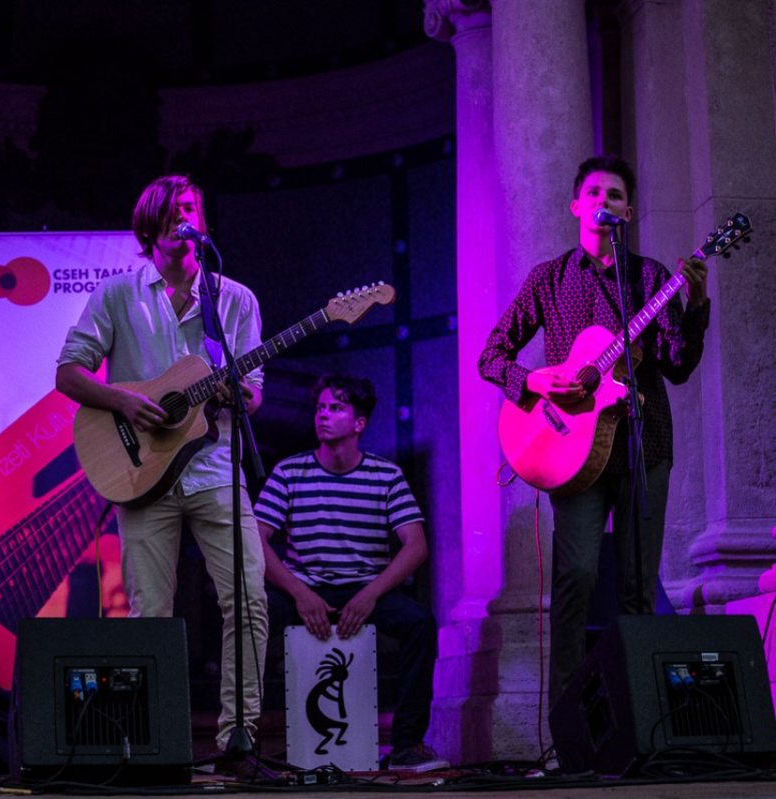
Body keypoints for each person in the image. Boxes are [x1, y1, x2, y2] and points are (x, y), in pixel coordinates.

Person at [478, 155, 709, 710]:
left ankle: (641, 719)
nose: (605, 202)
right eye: (595, 193)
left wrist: (696, 302)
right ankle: (568, 723)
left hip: (643, 445)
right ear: (576, 206)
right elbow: (491, 356)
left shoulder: (651, 278)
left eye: (616, 195)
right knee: (576, 577)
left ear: (627, 212)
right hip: (570, 450)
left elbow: (678, 365)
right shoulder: (548, 279)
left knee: (636, 585)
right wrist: (535, 379)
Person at [55, 175, 269, 755]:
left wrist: (234, 394)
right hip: (142, 474)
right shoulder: (117, 295)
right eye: (173, 212)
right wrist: (124, 401)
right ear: (150, 227)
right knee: (151, 612)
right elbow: (68, 373)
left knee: (248, 598)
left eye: (191, 209)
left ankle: (240, 734)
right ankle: (157, 742)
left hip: (215, 467)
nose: (184, 219)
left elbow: (252, 393)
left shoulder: (234, 299)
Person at [255, 374, 447, 772]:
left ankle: (407, 745)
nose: (323, 415)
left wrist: (370, 594)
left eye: (336, 408)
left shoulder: (385, 475)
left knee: (420, 623)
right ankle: (249, 744)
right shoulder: (290, 472)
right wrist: (300, 593)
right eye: (320, 408)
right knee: (251, 617)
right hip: (305, 588)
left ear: (359, 423)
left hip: (364, 588)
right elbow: (256, 540)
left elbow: (416, 546)